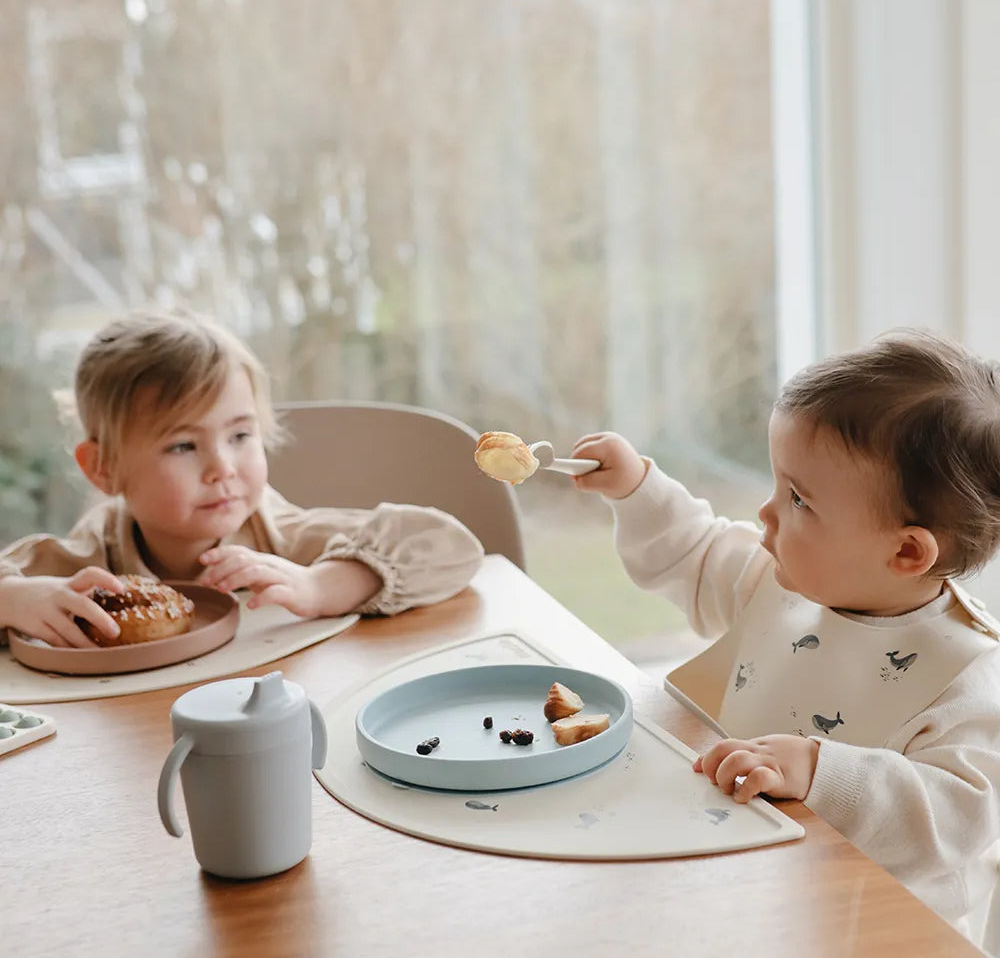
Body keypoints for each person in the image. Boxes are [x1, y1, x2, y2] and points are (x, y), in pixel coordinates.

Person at [571, 329, 1000, 949]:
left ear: (906, 550)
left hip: (881, 932)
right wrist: (638, 488)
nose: (766, 514)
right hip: (758, 895)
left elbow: (957, 818)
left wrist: (822, 770)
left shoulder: (964, 675)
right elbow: (696, 553)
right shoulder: (787, 587)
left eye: (799, 499)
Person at [0, 309, 484, 648]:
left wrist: (323, 586)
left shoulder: (280, 541)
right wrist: (15, 599)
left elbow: (453, 547)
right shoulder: (91, 560)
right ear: (102, 468)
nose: (222, 468)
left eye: (240, 436)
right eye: (183, 446)